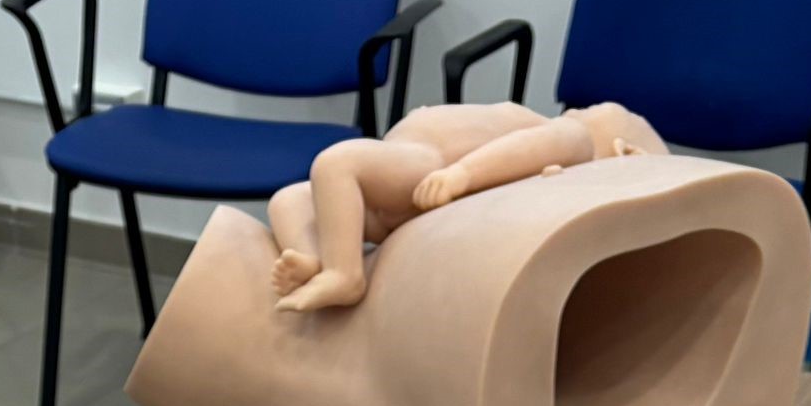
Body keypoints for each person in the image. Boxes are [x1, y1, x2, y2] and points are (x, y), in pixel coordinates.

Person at [269, 100, 667, 312]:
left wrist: (462, 172)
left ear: (623, 150)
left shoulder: (575, 138)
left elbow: (533, 145)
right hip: (393, 181)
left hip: (427, 167)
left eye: (604, 111)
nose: (581, 110)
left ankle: (344, 275)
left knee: (337, 162)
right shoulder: (546, 126)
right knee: (290, 199)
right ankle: (314, 259)